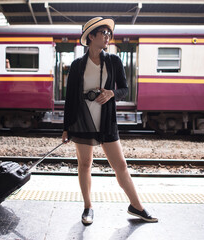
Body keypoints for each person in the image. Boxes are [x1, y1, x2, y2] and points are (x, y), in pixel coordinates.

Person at [61, 17, 158, 225]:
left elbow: (124, 89)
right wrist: (66, 127)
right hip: (82, 120)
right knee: (85, 164)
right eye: (103, 33)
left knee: (120, 165)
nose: (107, 36)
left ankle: (137, 206)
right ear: (91, 37)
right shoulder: (77, 65)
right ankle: (88, 207)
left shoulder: (114, 61)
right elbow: (70, 99)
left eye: (108, 33)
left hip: (106, 120)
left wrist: (112, 93)